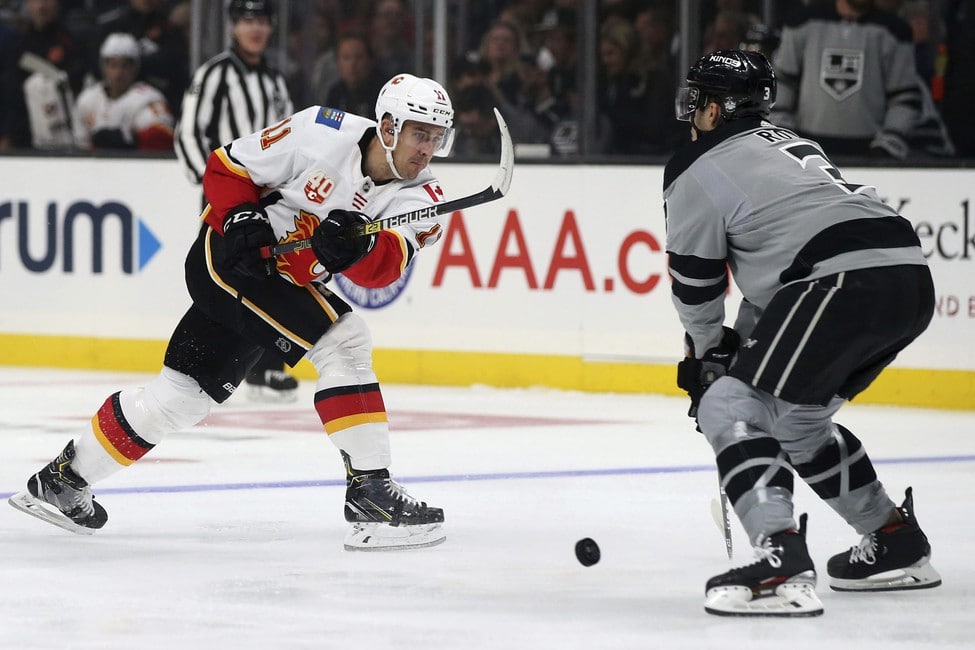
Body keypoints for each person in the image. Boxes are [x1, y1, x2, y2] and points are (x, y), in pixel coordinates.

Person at [8, 72, 456, 552]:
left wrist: (352, 250)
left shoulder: (424, 198)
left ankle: (62, 481)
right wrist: (241, 216)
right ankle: (372, 493)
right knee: (345, 341)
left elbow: (384, 268)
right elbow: (225, 167)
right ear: (388, 127)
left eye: (436, 138)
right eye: (419, 134)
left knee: (180, 397)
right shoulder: (320, 132)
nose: (426, 148)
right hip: (231, 260)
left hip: (277, 285)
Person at [665, 49, 942, 617]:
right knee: (797, 419)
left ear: (715, 110)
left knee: (730, 405)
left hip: (838, 281)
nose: (691, 110)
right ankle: (894, 541)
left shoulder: (696, 165)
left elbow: (697, 286)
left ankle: (780, 561)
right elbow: (779, 278)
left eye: (698, 99)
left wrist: (706, 358)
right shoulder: (790, 145)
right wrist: (730, 350)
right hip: (906, 275)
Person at [174, 0, 298, 402]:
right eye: (247, 20)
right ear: (233, 26)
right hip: (228, 199)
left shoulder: (276, 81)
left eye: (262, 20)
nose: (255, 28)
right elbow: (189, 134)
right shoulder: (214, 75)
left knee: (271, 278)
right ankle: (201, 363)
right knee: (223, 277)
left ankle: (264, 369)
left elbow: (295, 139)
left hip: (272, 201)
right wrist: (215, 188)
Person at [771, 0, 950, 159]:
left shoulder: (894, 31)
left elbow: (905, 97)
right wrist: (786, 139)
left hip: (869, 154)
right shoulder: (802, 22)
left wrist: (888, 146)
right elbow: (782, 84)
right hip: (809, 152)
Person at [0, 0, 92, 150]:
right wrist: (7, 135)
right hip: (23, 133)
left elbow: (76, 87)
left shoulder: (70, 42)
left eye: (47, 1)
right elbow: (11, 94)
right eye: (36, 1)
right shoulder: (18, 44)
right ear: (28, 4)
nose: (41, 6)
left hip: (61, 131)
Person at [72, 32, 174, 151]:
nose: (118, 73)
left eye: (125, 66)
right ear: (103, 67)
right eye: (113, 65)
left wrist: (130, 139)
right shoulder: (87, 99)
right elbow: (80, 146)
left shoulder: (150, 99)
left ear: (135, 68)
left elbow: (164, 138)